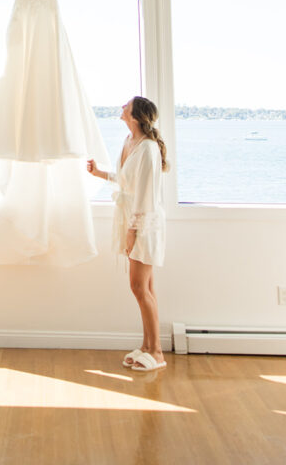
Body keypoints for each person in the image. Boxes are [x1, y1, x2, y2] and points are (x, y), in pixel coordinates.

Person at [87, 96, 169, 372]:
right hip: (132, 219)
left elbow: (146, 195)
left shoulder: (148, 149)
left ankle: (157, 352)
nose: (122, 107)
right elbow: (126, 180)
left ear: (135, 115)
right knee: (146, 287)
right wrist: (100, 173)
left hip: (145, 223)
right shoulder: (128, 142)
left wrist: (134, 230)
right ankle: (147, 346)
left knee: (139, 287)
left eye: (127, 105)